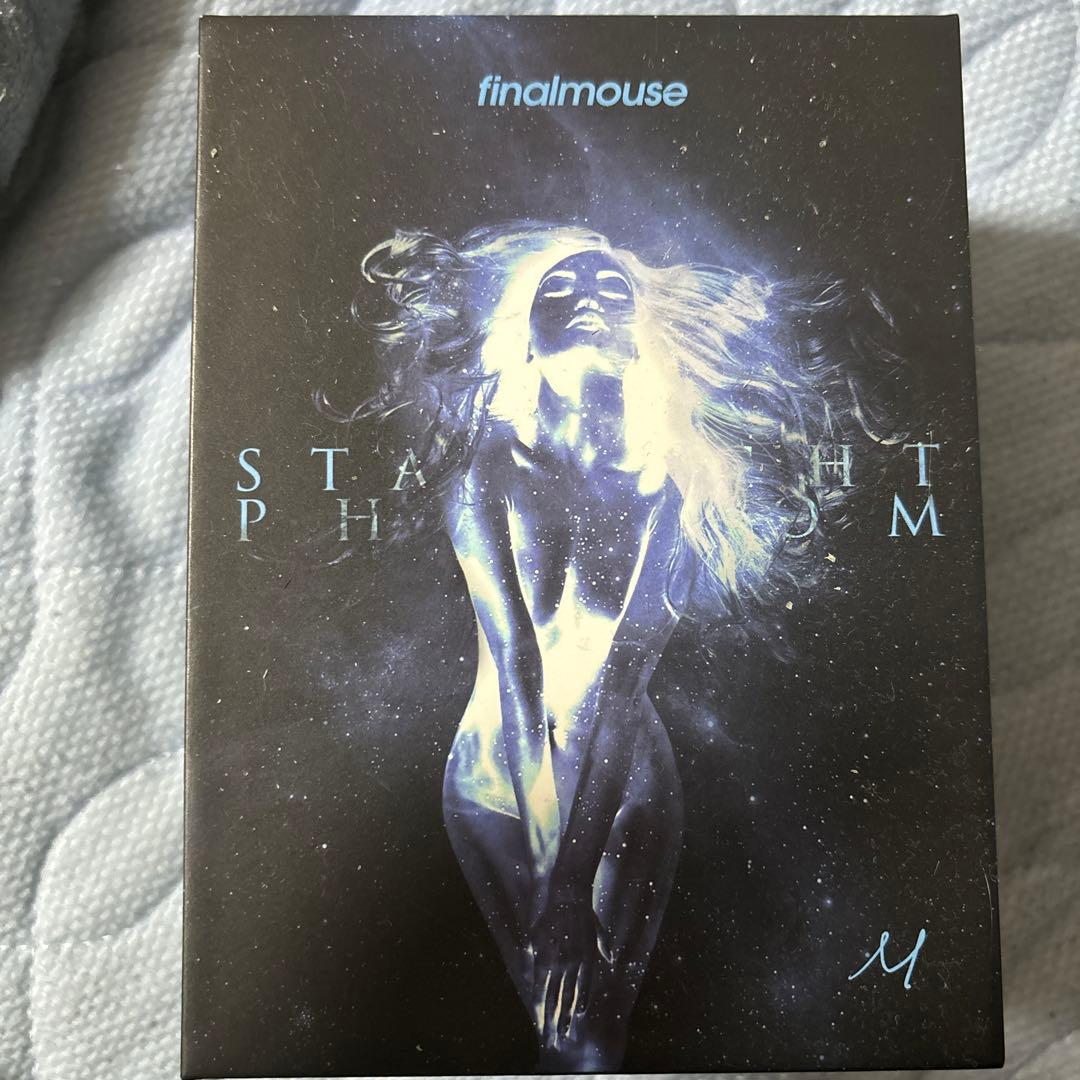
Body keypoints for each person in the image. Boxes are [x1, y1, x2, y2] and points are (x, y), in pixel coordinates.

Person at [354, 222, 881, 1069]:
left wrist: (570, 881)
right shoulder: (485, 468)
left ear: (638, 329)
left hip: (624, 780)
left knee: (596, 1041)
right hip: (495, 777)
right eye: (560, 289)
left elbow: (623, 684)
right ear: (524, 327)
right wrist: (552, 876)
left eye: (610, 288)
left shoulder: (667, 486)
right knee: (564, 1033)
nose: (589, 300)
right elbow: (517, 664)